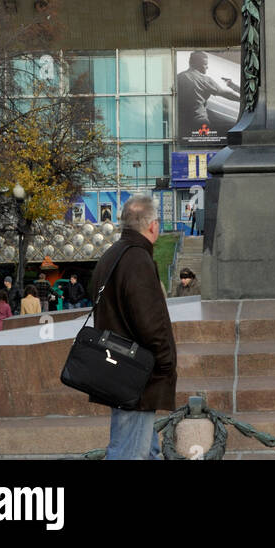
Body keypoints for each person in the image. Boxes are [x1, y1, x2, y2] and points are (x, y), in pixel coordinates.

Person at [90, 195, 177, 460]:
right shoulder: (138, 260)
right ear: (152, 225)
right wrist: (166, 361)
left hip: (116, 367)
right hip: (136, 372)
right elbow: (150, 322)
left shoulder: (112, 256)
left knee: (145, 449)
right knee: (129, 452)